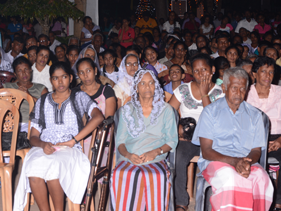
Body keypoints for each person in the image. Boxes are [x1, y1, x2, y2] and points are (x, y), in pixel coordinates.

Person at [13, 62, 104, 211]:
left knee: (54, 169)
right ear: (50, 81)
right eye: (55, 78)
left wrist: (73, 140)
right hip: (45, 146)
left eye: (64, 77)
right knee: (33, 169)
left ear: (70, 78)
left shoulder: (79, 97)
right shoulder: (42, 101)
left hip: (69, 148)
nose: (60, 82)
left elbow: (98, 117)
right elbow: (33, 137)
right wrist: (43, 145)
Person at [192, 67, 273, 211]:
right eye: (234, 88)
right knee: (232, 179)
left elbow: (256, 150)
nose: (239, 93)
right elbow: (206, 151)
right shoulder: (210, 112)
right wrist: (235, 162)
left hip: (246, 161)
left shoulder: (254, 115)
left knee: (262, 178)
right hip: (216, 161)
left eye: (243, 89)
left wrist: (245, 162)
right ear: (224, 87)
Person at [110, 69, 178, 211]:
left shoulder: (166, 110)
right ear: (136, 88)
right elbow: (120, 142)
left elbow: (172, 140)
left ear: (156, 86)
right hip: (130, 157)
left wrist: (155, 152)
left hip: (155, 158)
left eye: (151, 83)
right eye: (142, 83)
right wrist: (128, 155)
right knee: (122, 173)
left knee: (155, 175)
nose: (147, 87)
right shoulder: (126, 110)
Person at [169, 53, 224, 211]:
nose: (200, 74)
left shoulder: (220, 93)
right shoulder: (184, 89)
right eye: (196, 70)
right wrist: (177, 128)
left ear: (212, 70)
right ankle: (181, 202)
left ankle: (212, 200)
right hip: (188, 139)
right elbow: (168, 112)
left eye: (204, 69)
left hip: (211, 140)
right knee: (178, 155)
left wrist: (205, 93)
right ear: (191, 72)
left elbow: (212, 119)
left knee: (218, 161)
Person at [246, 57, 281, 208]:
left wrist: (280, 140)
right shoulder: (246, 93)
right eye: (264, 72)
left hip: (277, 137)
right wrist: (262, 142)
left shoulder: (279, 92)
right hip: (253, 139)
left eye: (271, 72)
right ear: (254, 74)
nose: (268, 76)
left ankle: (278, 201)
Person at [4, 57, 48, 133]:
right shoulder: (7, 87)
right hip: (11, 123)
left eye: (26, 69)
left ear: (31, 70)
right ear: (15, 74)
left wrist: (28, 95)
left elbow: (46, 108)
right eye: (20, 71)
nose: (24, 73)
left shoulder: (41, 88)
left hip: (32, 123)